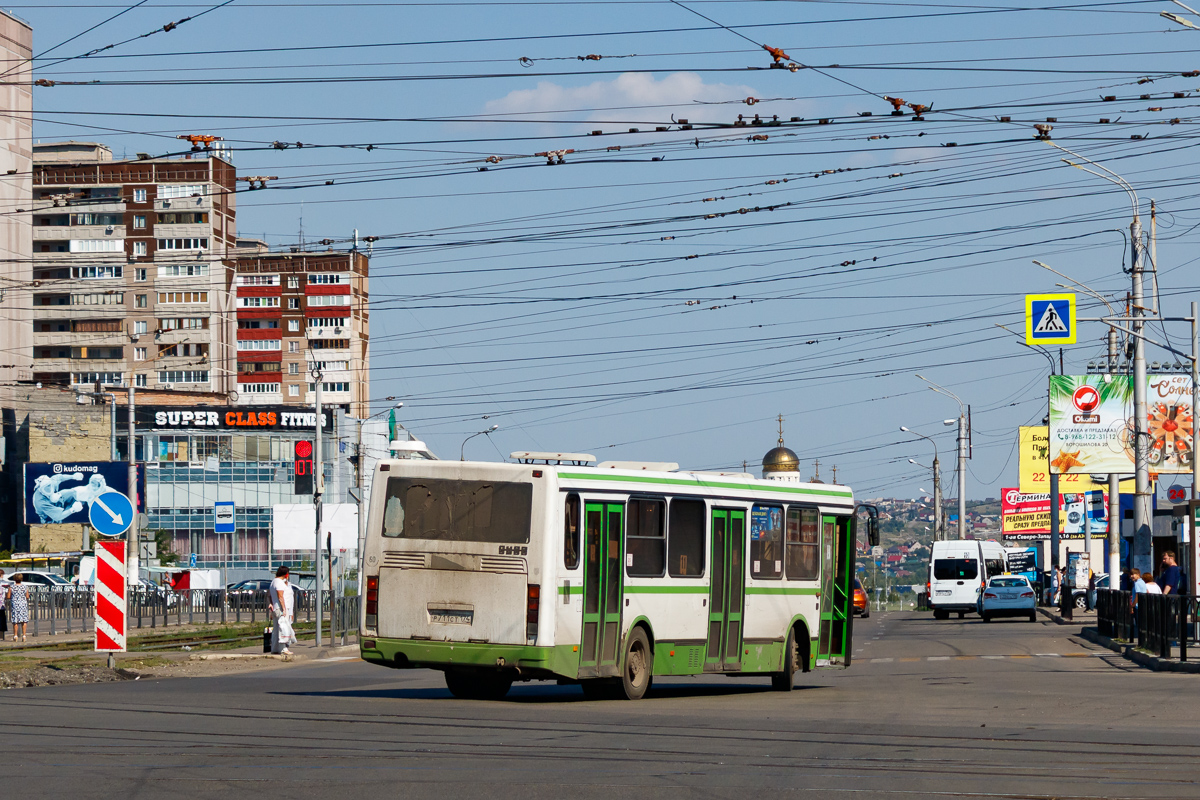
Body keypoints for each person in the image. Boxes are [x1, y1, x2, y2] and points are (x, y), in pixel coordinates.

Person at [269, 565, 296, 656]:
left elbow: (270, 595)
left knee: (276, 629)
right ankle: (284, 649)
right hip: (281, 609)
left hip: (276, 608)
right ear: (286, 574)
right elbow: (281, 596)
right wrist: (284, 609)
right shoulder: (279, 582)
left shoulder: (274, 582)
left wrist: (271, 604)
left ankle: (275, 648)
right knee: (283, 628)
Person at [8, 574, 29, 643]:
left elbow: (8, 596)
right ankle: (24, 636)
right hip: (23, 604)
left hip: (15, 604)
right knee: (24, 620)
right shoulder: (24, 587)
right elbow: (27, 596)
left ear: (14, 579)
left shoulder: (12, 587)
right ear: (22, 579)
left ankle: (15, 636)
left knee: (15, 620)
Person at [0, 568, 7, 641]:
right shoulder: (1, 584)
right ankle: (1, 636)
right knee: (1, 620)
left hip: (1, 604)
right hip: (1, 604)